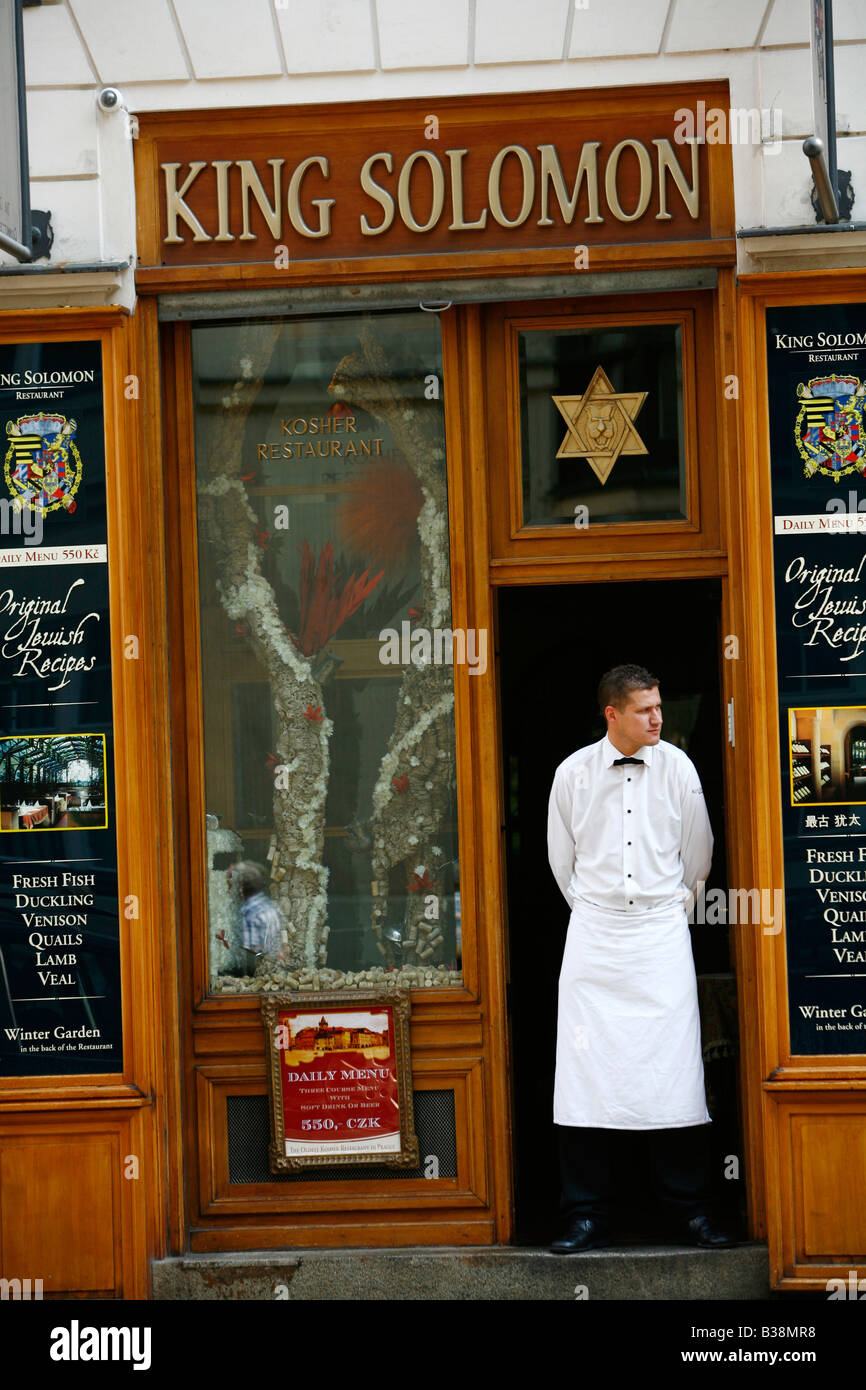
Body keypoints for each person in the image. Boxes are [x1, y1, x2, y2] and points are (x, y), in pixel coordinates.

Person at [546, 663, 735, 1252]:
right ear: (612, 714)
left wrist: (666, 912)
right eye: (645, 710)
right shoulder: (572, 773)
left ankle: (692, 1208)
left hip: (659, 935)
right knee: (583, 1076)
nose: (658, 717)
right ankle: (585, 1213)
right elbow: (561, 861)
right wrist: (598, 912)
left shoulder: (679, 767)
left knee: (674, 1071)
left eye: (658, 707)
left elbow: (698, 855)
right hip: (595, 937)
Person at [229, 860, 285, 974]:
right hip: (274, 974)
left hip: (256, 977)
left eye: (232, 882)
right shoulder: (271, 906)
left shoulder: (249, 913)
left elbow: (251, 957)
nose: (229, 887)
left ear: (241, 885)